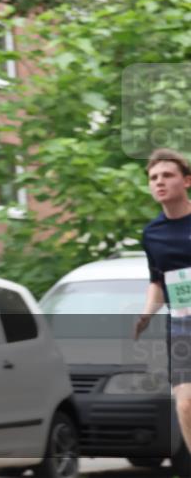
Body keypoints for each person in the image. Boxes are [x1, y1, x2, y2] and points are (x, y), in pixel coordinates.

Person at [134, 148, 191, 462]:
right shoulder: (152, 234)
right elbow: (157, 282)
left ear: (187, 181)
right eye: (154, 177)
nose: (159, 182)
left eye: (167, 175)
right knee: (185, 404)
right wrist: (145, 315)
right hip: (183, 323)